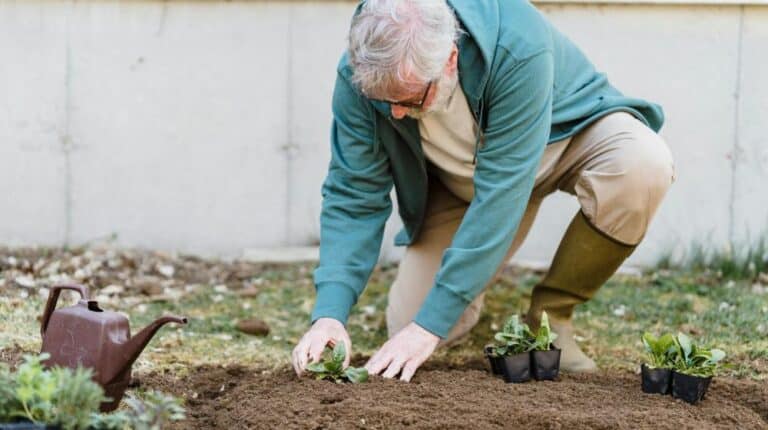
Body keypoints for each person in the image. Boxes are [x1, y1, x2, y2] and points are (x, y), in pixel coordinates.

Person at [292, 0, 675, 381]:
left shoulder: (517, 44)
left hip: (564, 138)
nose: (394, 114)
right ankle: (469, 282)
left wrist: (430, 328)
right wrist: (329, 314)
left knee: (643, 165)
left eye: (408, 101)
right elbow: (352, 194)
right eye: (384, 102)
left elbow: (501, 194)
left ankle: (553, 311)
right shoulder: (364, 75)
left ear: (450, 60)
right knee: (408, 322)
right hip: (465, 184)